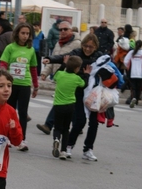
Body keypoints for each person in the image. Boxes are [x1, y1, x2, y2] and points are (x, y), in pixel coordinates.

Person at [43, 33, 115, 161]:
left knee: (93, 123)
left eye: (91, 47)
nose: (87, 49)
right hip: (78, 90)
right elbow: (63, 57)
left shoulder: (99, 56)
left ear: (95, 47)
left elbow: (110, 67)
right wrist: (50, 58)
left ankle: (88, 149)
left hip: (93, 93)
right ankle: (69, 146)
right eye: (86, 46)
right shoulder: (76, 52)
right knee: (80, 121)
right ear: (82, 45)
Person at [36, 21, 81, 135]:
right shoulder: (59, 43)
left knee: (60, 102)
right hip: (60, 76)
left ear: (71, 30)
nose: (62, 32)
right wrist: (45, 72)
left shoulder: (76, 44)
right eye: (60, 29)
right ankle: (78, 125)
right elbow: (54, 58)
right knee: (71, 103)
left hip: (69, 77)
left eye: (65, 29)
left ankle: (48, 125)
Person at [0, 22, 38, 151]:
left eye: (28, 33)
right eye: (23, 33)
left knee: (23, 112)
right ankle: (8, 137)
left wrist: (36, 86)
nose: (25, 36)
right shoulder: (10, 48)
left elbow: (33, 68)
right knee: (9, 111)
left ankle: (22, 139)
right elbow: (3, 63)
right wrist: (4, 78)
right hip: (11, 85)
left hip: (25, 84)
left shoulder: (31, 50)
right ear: (17, 34)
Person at [51, 55, 91, 160]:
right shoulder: (76, 78)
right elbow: (84, 84)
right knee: (66, 129)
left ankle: (56, 139)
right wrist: (86, 74)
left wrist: (62, 64)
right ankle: (63, 151)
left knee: (57, 127)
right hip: (70, 106)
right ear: (77, 68)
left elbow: (54, 76)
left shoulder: (60, 74)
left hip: (58, 105)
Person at [124, 40, 142, 108]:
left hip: (132, 73)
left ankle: (133, 98)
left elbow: (125, 61)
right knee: (138, 88)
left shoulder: (131, 52)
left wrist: (128, 67)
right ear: (141, 45)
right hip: (140, 73)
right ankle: (136, 100)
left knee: (133, 87)